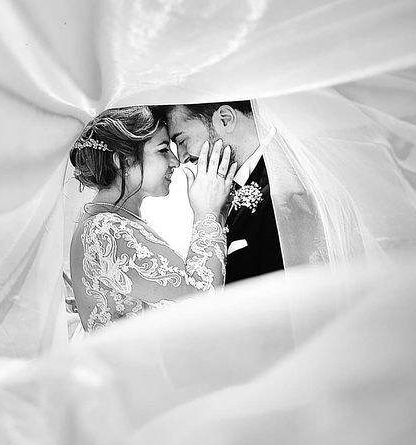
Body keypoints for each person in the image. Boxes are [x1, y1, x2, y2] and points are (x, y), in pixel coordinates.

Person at [68, 106, 236, 333]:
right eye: (163, 149)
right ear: (124, 161)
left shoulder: (112, 221)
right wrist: (207, 213)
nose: (176, 162)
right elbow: (201, 302)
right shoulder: (105, 230)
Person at [163, 101, 284, 283]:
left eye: (181, 141)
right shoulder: (234, 192)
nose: (181, 158)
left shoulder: (284, 189)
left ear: (225, 119)